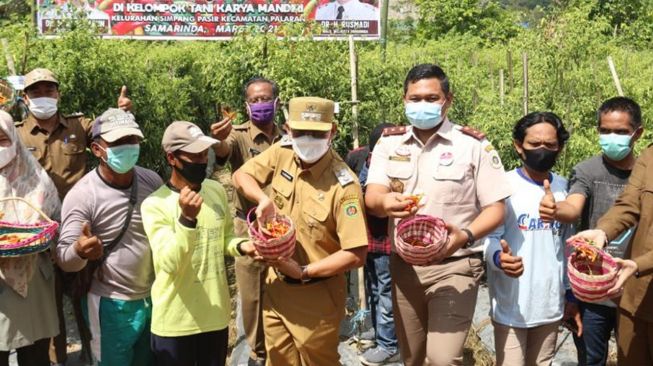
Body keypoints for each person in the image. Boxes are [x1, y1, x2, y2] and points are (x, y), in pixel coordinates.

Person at [365, 63, 511, 365]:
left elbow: (497, 208)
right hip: (404, 267)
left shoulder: (472, 145)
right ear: (404, 100)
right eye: (415, 98)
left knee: (443, 360)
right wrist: (385, 203)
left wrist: (465, 236)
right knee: (413, 357)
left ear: (448, 100)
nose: (422, 105)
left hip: (455, 264)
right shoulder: (389, 142)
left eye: (431, 98)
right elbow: (373, 196)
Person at [232, 96, 369, 365]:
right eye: (301, 132)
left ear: (333, 131)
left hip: (316, 299)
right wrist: (263, 199)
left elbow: (356, 254)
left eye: (317, 133)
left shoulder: (344, 186)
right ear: (287, 130)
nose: (308, 139)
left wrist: (304, 272)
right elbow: (240, 176)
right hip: (276, 289)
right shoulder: (283, 154)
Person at [15, 68, 131, 365]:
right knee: (49, 309)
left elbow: (112, 136)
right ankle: (58, 361)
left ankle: (93, 357)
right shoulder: (16, 133)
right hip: (37, 236)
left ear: (59, 94)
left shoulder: (80, 126)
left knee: (86, 298)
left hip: (81, 229)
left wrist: (121, 114)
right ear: (25, 98)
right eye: (37, 92)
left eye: (49, 91)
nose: (44, 97)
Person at [141, 121, 257, 366]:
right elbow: (169, 263)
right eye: (195, 155)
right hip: (175, 323)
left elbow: (224, 238)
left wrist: (243, 246)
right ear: (172, 158)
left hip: (214, 316)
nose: (203, 160)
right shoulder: (155, 205)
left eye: (205, 153)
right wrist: (186, 219)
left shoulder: (214, 190)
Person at [538, 97, 643, 366]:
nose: (612, 137)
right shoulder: (587, 170)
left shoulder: (645, 174)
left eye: (621, 132)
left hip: (633, 287)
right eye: (605, 130)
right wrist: (557, 210)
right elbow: (574, 206)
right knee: (591, 358)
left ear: (637, 133)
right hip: (592, 289)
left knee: (633, 355)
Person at [56, 108, 162, 366]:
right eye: (118, 142)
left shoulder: (151, 181)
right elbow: (64, 257)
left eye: (132, 140)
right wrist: (80, 251)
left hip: (152, 300)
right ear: (96, 149)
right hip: (109, 306)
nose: (128, 147)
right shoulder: (83, 195)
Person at [485, 112, 579, 366]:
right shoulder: (503, 186)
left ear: (559, 148)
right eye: (535, 144)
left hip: (549, 304)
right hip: (511, 305)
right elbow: (489, 238)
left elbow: (567, 247)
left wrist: (570, 295)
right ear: (518, 146)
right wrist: (498, 257)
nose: (542, 150)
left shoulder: (565, 188)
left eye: (550, 145)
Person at [209, 77, 283, 366]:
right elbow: (224, 151)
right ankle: (256, 351)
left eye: (265, 98)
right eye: (254, 100)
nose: (260, 104)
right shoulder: (238, 135)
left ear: (276, 102)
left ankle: (279, 347)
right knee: (252, 295)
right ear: (246, 105)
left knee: (283, 287)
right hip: (249, 226)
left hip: (283, 228)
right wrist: (217, 142)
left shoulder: (287, 135)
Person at [570, 125, 653, 364]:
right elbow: (628, 203)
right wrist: (602, 232)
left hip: (636, 271)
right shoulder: (649, 156)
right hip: (636, 301)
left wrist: (639, 263)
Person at [0, 110, 60, 366]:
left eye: (1, 138)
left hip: (33, 277)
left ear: (13, 137)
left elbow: (55, 220)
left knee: (35, 354)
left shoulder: (36, 178)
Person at [346, 123, 400, 365]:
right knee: (373, 289)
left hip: (387, 241)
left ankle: (389, 344)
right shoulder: (360, 158)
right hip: (366, 239)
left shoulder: (398, 165)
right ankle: (379, 332)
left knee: (386, 292)